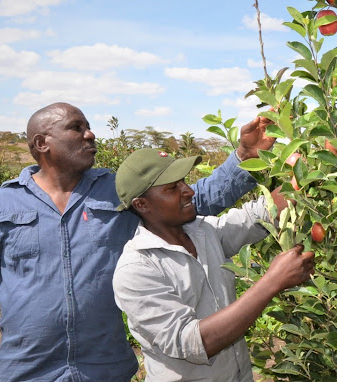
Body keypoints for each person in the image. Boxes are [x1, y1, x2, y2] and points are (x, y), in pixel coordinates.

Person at [0, 102, 275, 381]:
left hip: (104, 368)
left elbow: (192, 199)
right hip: (28, 370)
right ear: (42, 142)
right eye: (77, 127)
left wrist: (243, 156)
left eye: (89, 126)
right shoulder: (2, 204)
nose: (90, 134)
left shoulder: (116, 192)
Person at [112, 148, 315, 381]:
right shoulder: (136, 270)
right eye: (172, 188)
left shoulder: (203, 231)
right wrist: (272, 282)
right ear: (141, 205)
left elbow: (259, 214)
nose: (188, 191)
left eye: (183, 182)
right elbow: (194, 343)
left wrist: (317, 167)